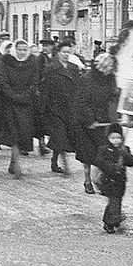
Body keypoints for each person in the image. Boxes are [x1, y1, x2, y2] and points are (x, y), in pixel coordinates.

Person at [73, 52, 120, 195]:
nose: (112, 69)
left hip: (105, 120)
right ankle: (87, 180)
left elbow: (113, 96)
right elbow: (81, 102)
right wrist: (89, 120)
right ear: (103, 65)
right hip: (89, 122)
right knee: (87, 154)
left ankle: (99, 177)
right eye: (110, 66)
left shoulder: (111, 78)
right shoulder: (87, 78)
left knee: (103, 150)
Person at [0, 39, 38, 178]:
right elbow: (3, 81)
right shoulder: (5, 61)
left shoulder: (32, 62)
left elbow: (34, 81)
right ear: (15, 49)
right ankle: (17, 166)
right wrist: (13, 96)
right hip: (9, 103)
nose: (21, 52)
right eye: (19, 49)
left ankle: (13, 163)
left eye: (24, 49)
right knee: (14, 133)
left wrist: (25, 96)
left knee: (24, 133)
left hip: (26, 104)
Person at [40, 41, 81, 176]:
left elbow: (78, 88)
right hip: (54, 108)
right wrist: (43, 108)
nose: (66, 55)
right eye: (64, 52)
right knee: (60, 135)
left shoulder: (74, 68)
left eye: (68, 52)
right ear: (58, 53)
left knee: (63, 136)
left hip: (69, 107)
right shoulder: (51, 68)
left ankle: (54, 160)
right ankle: (65, 165)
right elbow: (45, 89)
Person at [94, 125, 133, 233]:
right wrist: (111, 167)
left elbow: (131, 162)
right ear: (108, 138)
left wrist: (124, 154)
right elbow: (99, 161)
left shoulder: (124, 149)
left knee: (117, 201)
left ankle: (111, 220)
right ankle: (111, 222)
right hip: (107, 180)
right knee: (114, 201)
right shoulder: (103, 149)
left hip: (120, 181)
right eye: (113, 138)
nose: (116, 140)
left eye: (118, 138)